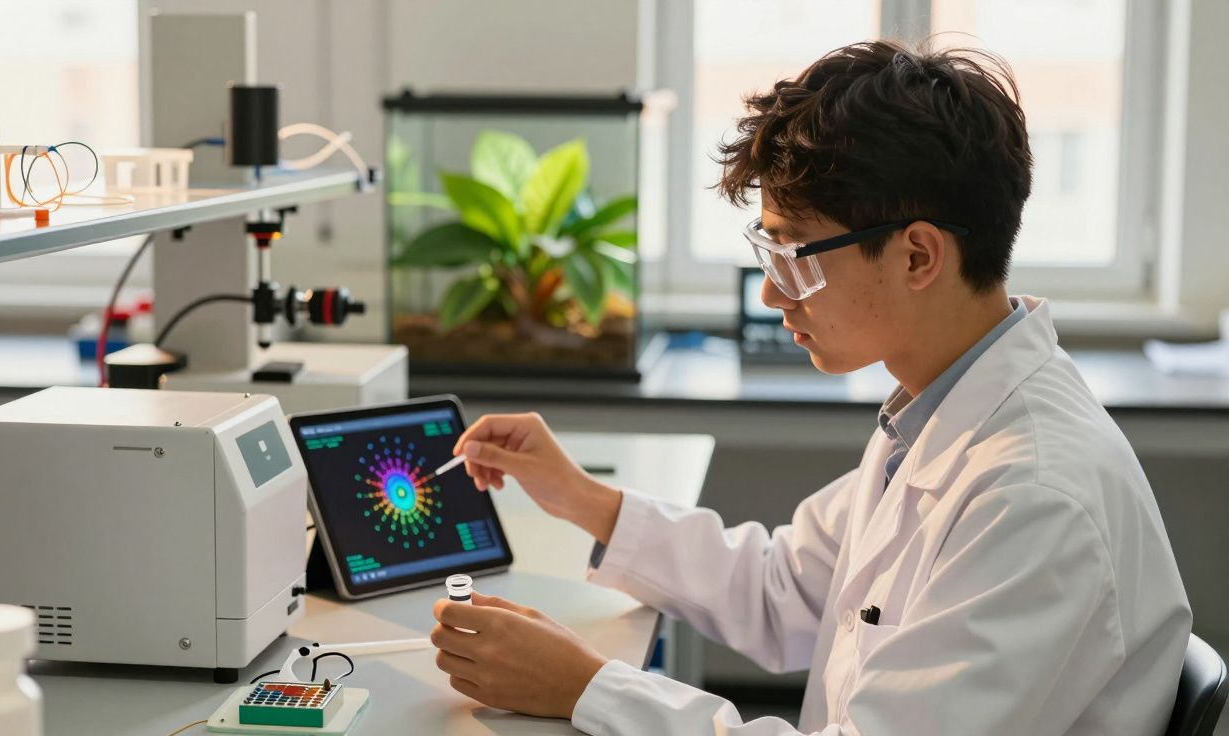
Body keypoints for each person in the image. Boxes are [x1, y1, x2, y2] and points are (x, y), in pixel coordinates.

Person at [428, 39, 1192, 735]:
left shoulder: (1032, 496)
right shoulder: (935, 411)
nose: (770, 295)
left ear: (919, 257)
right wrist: (580, 498)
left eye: (794, 254)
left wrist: (591, 688)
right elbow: (781, 586)